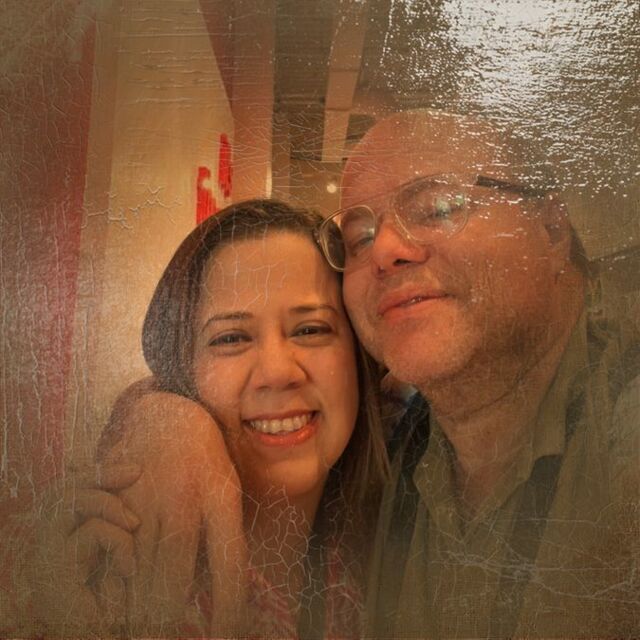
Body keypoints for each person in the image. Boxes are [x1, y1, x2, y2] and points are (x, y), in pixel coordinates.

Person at [314, 110, 640, 638]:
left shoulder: (624, 430)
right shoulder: (383, 442)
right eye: (359, 239)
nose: (385, 251)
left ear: (551, 229)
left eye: (437, 208)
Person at [30, 199, 388, 638]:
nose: (278, 372)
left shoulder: (396, 535)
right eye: (230, 338)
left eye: (310, 329)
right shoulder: (104, 570)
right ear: (184, 368)